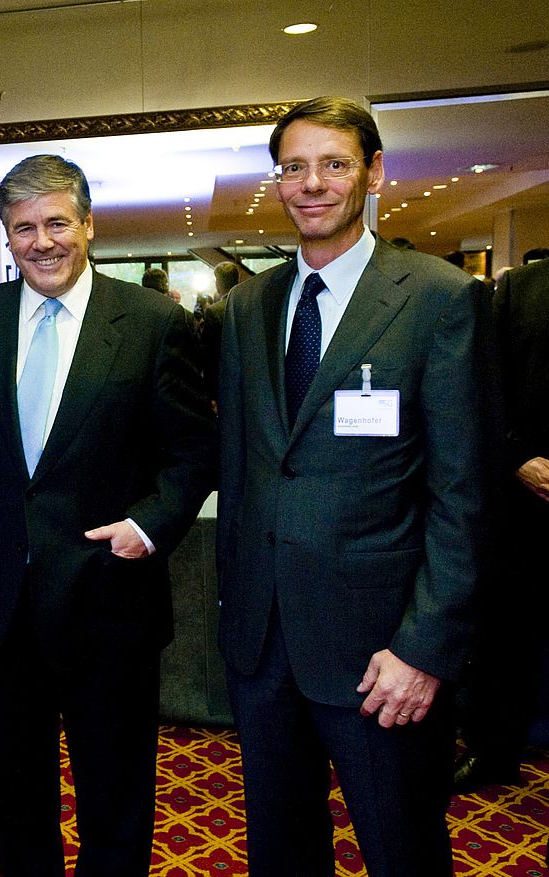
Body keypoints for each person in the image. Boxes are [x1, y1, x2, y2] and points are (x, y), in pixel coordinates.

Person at [217, 96, 497, 875]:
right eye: (294, 167)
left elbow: (465, 494)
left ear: (374, 173)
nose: (312, 183)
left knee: (401, 848)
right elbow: (247, 471)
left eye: (334, 163)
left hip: (383, 657)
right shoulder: (248, 305)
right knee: (281, 850)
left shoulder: (440, 298)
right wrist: (234, 608)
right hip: (265, 647)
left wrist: (425, 646)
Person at [0, 154, 216, 877]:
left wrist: (149, 525)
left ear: (88, 225)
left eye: (57, 221)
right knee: (13, 792)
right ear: (7, 235)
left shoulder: (154, 322)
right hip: (1, 610)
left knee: (115, 795)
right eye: (23, 227)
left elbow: (192, 452)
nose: (42, 241)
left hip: (109, 599)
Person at [454, 255, 549, 793]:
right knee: (508, 640)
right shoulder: (520, 290)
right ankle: (493, 752)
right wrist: (519, 459)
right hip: (526, 504)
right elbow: (484, 390)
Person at [200, 261, 241, 404]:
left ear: (218, 283)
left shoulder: (214, 311)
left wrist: (209, 392)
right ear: (238, 279)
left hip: (224, 380)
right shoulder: (251, 305)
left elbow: (209, 355)